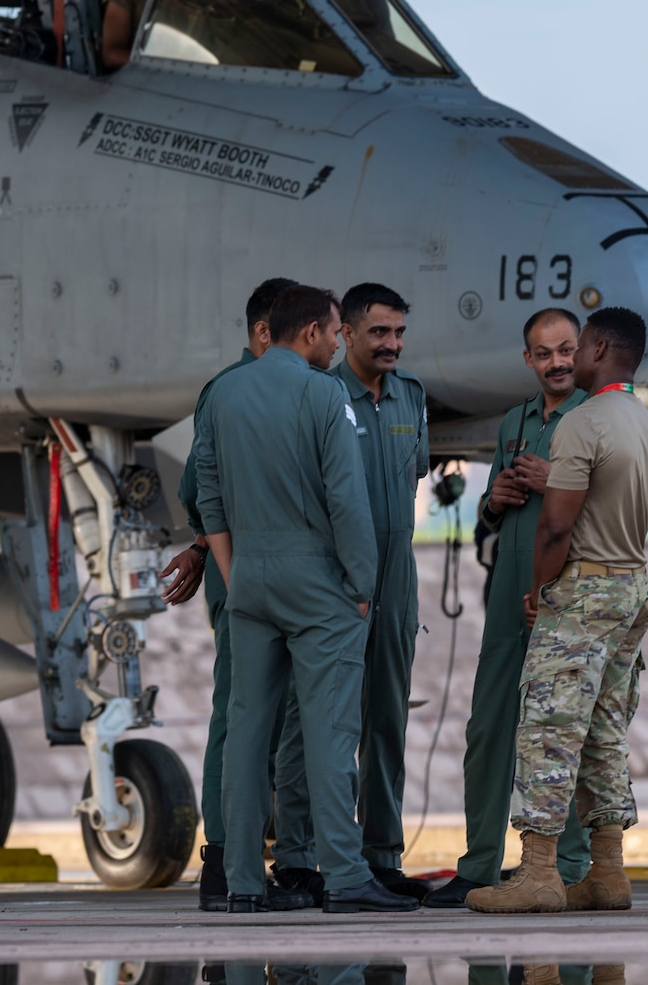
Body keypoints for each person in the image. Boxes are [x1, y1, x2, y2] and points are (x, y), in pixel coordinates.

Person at [193, 284, 418, 914]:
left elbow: (208, 491)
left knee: (246, 731)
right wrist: (362, 586)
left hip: (250, 577)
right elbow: (347, 498)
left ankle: (242, 883)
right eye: (334, 331)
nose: (336, 343)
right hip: (318, 582)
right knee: (330, 731)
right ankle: (345, 876)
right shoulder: (324, 394)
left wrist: (235, 572)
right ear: (314, 332)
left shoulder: (224, 392)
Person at [467, 307, 648, 915]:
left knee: (547, 732)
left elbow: (555, 528)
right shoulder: (644, 423)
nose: (567, 359)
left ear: (598, 349)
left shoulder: (583, 422)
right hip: (630, 586)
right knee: (604, 733)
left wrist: (539, 589)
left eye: (576, 347)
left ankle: (539, 874)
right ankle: (608, 872)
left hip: (582, 592)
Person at [425, 307, 593, 909]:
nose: (557, 363)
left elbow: (629, 510)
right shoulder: (514, 422)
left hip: (567, 590)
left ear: (583, 351)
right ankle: (478, 867)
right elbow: (488, 522)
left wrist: (557, 483)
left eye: (566, 350)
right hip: (507, 593)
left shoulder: (599, 420)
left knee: (563, 730)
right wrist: (494, 501)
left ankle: (570, 868)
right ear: (528, 359)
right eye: (544, 354)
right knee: (489, 727)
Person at [286, 283, 429, 900]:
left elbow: (414, 475)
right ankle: (304, 856)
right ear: (345, 334)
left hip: (397, 577)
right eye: (379, 332)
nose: (392, 344)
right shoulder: (320, 395)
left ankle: (381, 855)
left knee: (387, 716)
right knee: (319, 719)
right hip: (336, 576)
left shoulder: (411, 396)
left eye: (399, 332)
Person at [158, 276, 296, 910]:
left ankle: (248, 857)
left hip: (247, 565)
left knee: (265, 717)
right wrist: (212, 550)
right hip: (241, 568)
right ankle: (224, 859)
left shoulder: (274, 387)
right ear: (265, 332)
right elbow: (198, 487)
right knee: (243, 713)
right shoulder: (232, 389)